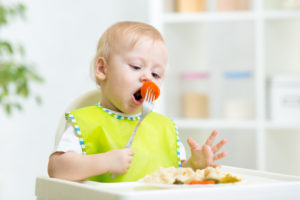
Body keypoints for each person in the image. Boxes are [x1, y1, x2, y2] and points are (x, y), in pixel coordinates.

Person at [48, 21, 227, 182]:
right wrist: (105, 161)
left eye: (156, 74)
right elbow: (57, 169)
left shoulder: (165, 128)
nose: (147, 78)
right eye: (136, 67)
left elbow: (175, 177)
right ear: (103, 69)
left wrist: (193, 165)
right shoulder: (85, 122)